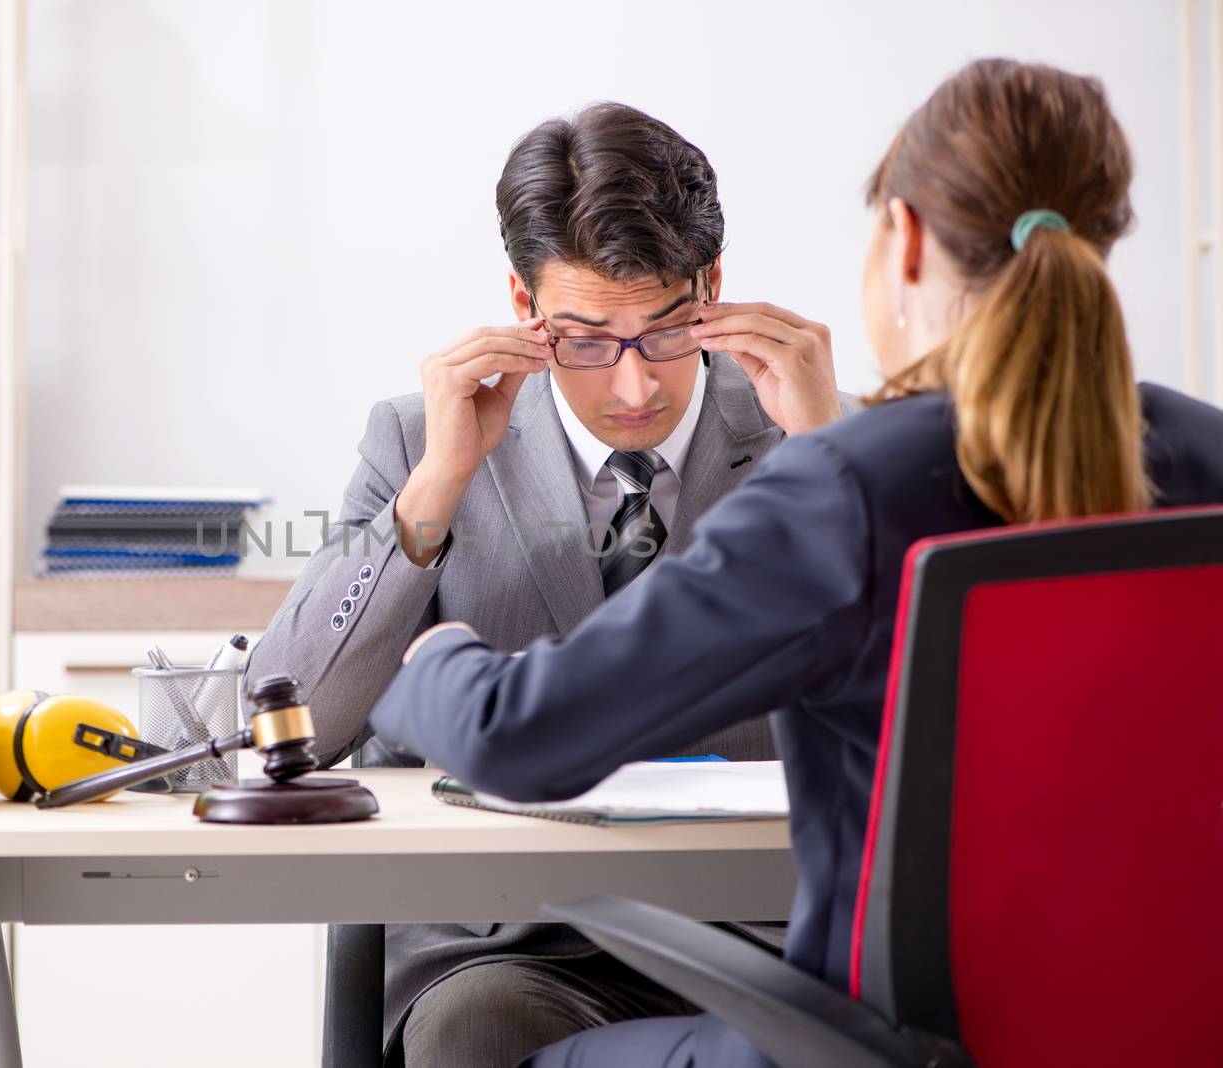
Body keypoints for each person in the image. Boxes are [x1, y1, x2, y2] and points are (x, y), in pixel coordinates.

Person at [368, 58, 1223, 1068]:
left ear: (901, 239)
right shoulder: (1206, 456)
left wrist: (433, 661)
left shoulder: (852, 482)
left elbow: (519, 738)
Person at [245, 102, 850, 1068]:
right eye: (585, 340)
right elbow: (298, 723)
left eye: (664, 331)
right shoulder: (420, 438)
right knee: (474, 1032)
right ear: (525, 308)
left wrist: (837, 463)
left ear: (713, 288)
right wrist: (435, 490)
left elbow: (946, 711)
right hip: (514, 941)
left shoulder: (818, 425)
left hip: (771, 936)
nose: (635, 386)